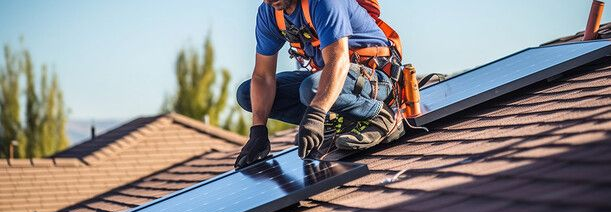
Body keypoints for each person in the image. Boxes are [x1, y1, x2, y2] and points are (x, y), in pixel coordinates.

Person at [234, 0, 404, 168]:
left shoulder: (324, 3)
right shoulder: (269, 13)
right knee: (246, 94)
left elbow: (338, 61)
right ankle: (336, 120)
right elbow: (263, 76)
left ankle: (381, 115)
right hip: (332, 83)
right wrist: (258, 132)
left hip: (376, 81)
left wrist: (316, 114)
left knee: (311, 89)